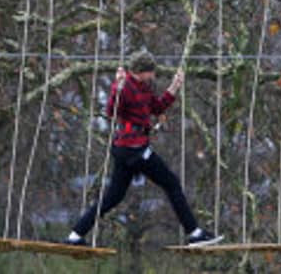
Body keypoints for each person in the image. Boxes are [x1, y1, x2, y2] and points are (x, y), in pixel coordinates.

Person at [66, 49, 222, 247]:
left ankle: (76, 235)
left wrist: (174, 87)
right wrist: (118, 87)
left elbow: (156, 107)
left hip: (128, 149)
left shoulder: (143, 87)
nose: (154, 75)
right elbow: (112, 110)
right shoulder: (125, 86)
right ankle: (194, 232)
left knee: (113, 197)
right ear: (142, 71)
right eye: (151, 72)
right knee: (171, 183)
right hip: (134, 148)